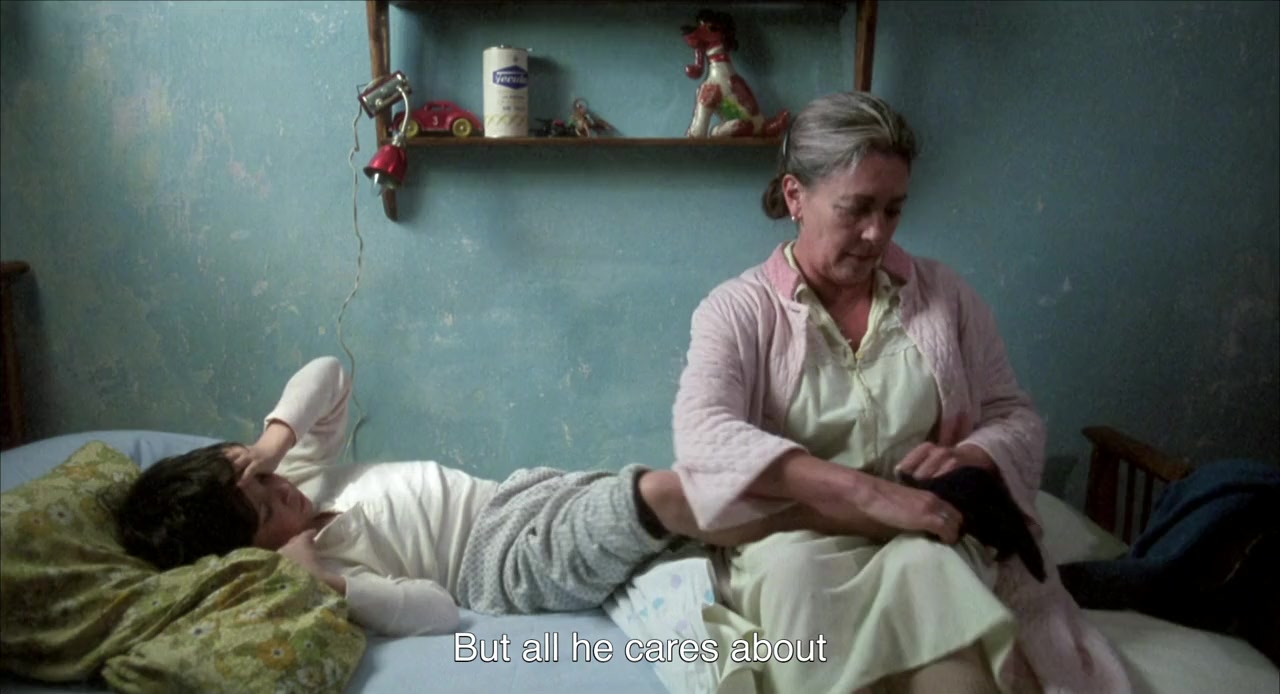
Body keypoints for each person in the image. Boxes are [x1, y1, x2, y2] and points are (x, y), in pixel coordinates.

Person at [670, 92, 1131, 694]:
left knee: (941, 609)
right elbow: (704, 434)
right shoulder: (737, 310)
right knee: (799, 581)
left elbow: (1011, 414)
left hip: (922, 528)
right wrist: (865, 493)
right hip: (795, 535)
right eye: (856, 209)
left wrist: (972, 455)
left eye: (893, 211)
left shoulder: (945, 297)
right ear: (795, 197)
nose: (876, 233)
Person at [116, 357, 862, 638]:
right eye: (264, 510)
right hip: (499, 565)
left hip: (523, 494)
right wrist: (331, 585)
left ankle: (844, 519)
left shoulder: (301, 474)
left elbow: (329, 375)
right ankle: (849, 504)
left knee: (689, 525)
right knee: (658, 497)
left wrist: (272, 444)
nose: (281, 493)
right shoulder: (316, 573)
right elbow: (439, 612)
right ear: (244, 555)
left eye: (263, 478)